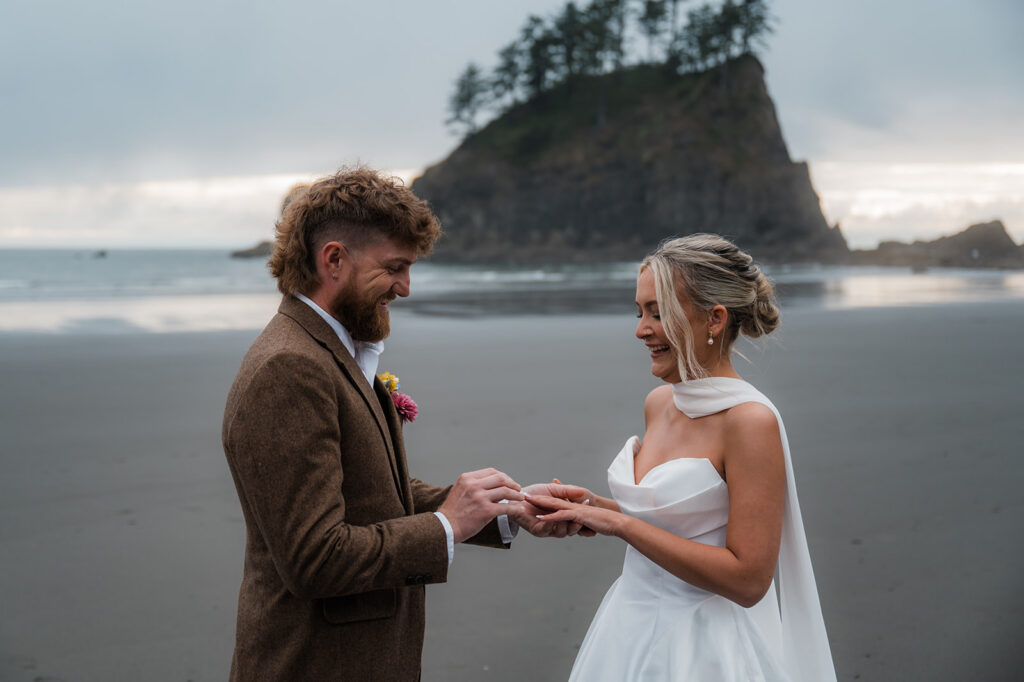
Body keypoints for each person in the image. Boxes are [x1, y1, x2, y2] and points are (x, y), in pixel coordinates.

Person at [221, 168, 575, 681]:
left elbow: (368, 493)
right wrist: (447, 524)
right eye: (395, 267)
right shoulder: (289, 369)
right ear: (334, 259)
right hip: (314, 665)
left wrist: (501, 509)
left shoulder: (333, 354)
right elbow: (314, 558)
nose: (405, 288)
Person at [526, 234, 836, 681]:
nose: (641, 329)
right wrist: (594, 508)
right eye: (640, 312)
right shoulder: (659, 403)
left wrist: (622, 524)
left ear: (714, 319)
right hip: (626, 629)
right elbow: (679, 521)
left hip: (705, 646)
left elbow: (748, 581)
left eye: (659, 312)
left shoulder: (749, 422)